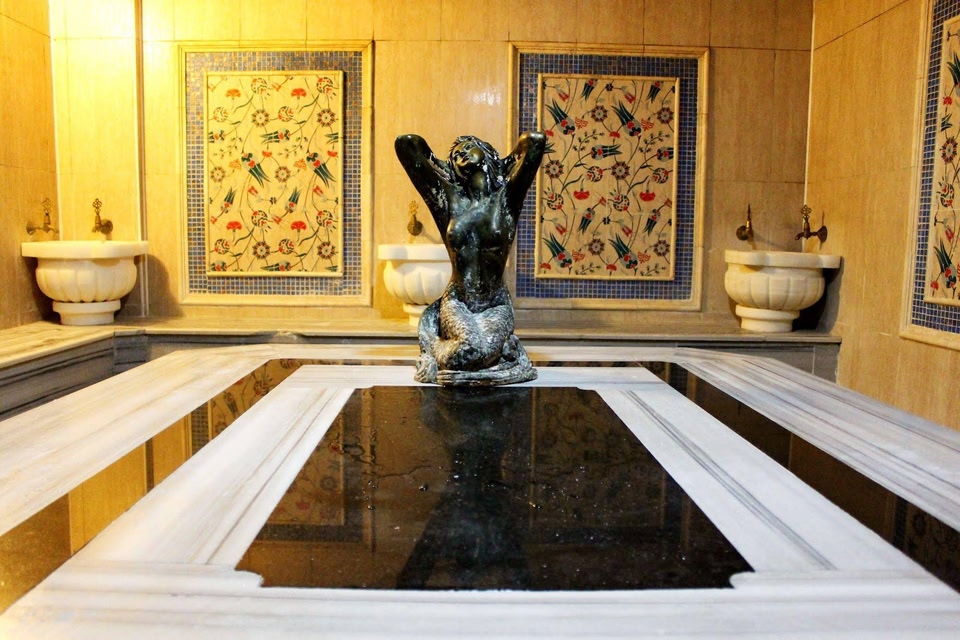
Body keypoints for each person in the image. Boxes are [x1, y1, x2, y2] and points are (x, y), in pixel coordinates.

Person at [395, 131, 546, 386]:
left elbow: (535, 143)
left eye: (467, 148)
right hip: (458, 299)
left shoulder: (508, 197)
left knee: (480, 354)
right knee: (468, 351)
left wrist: (502, 164)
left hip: (495, 302)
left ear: (485, 152)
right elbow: (407, 145)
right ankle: (433, 346)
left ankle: (480, 362)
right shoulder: (448, 201)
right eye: (455, 155)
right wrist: (444, 167)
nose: (460, 155)